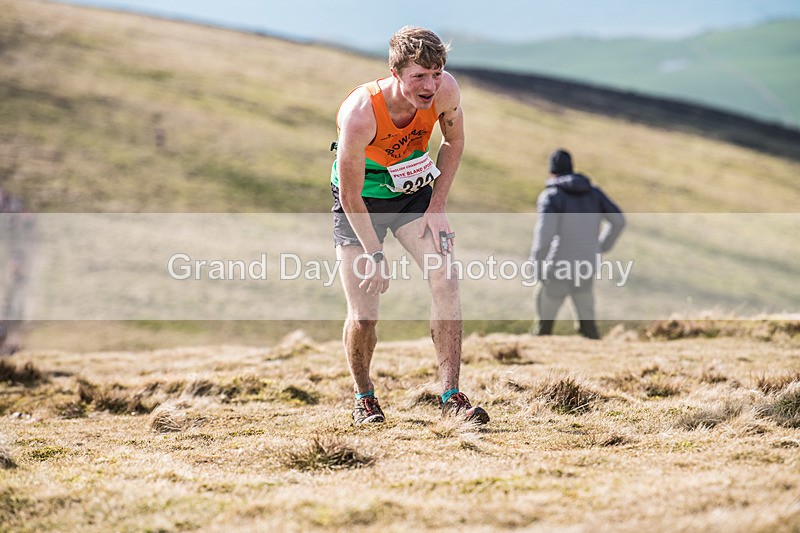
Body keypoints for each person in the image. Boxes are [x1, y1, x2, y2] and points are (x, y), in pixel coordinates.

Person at [330, 26, 489, 425]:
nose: (430, 85)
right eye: (419, 76)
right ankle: (364, 397)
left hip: (414, 193)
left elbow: (454, 141)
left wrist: (437, 206)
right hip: (361, 201)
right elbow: (349, 197)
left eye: (436, 73)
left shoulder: (446, 92)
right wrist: (375, 253)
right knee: (364, 313)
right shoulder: (360, 113)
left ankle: (452, 396)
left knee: (446, 279)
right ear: (396, 73)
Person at [530, 149, 626, 339]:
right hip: (586, 264)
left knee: (543, 328)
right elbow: (618, 221)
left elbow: (545, 236)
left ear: (552, 172)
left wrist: (537, 263)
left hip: (558, 266)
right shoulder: (594, 193)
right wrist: (600, 246)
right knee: (589, 327)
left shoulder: (551, 196)